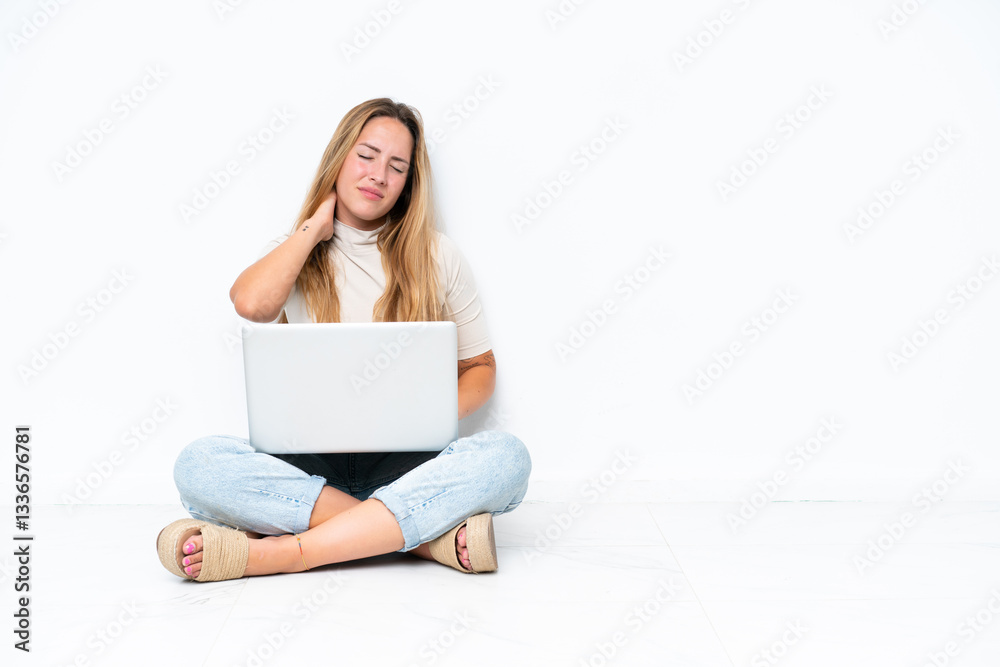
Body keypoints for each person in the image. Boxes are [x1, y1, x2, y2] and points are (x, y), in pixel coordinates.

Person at [156, 98, 531, 581]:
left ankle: (284, 553)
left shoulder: (439, 255)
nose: (379, 175)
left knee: (505, 459)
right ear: (339, 158)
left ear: (409, 182)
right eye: (367, 155)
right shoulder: (296, 249)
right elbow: (251, 305)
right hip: (308, 470)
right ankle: (420, 539)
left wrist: (428, 413)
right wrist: (313, 228)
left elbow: (481, 368)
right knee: (199, 465)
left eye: (398, 166)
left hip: (408, 466)